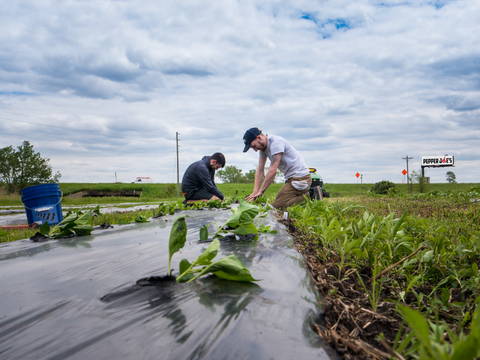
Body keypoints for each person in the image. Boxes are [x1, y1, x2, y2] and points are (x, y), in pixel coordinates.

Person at [243, 127, 322, 209]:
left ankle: (312, 194)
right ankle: (301, 195)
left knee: (278, 207)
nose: (255, 150)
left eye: (254, 146)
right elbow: (260, 169)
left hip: (300, 178)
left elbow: (273, 171)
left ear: (259, 138)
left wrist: (261, 191)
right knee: (280, 202)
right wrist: (255, 191)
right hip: (291, 179)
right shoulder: (263, 148)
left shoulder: (276, 143)